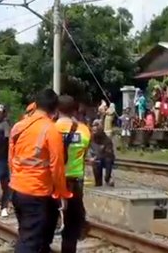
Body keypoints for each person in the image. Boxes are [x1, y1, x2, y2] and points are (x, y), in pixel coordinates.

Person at [9, 88, 71, 253]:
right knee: (30, 242)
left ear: (35, 105)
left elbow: (11, 159)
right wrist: (62, 193)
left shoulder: (18, 127)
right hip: (37, 192)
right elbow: (57, 166)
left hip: (17, 189)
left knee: (30, 236)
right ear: (55, 108)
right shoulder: (51, 130)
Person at [54, 95, 91, 253]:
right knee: (71, 226)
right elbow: (84, 154)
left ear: (56, 109)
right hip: (75, 179)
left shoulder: (51, 128)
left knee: (48, 219)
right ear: (74, 110)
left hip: (55, 179)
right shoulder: (84, 130)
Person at [89, 120, 115, 187]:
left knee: (108, 160)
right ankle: (98, 182)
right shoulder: (91, 139)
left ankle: (107, 178)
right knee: (95, 163)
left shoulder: (107, 140)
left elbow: (108, 153)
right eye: (93, 128)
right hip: (97, 159)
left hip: (106, 158)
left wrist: (96, 157)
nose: (94, 131)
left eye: (96, 128)